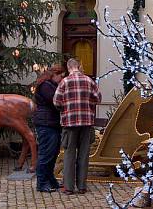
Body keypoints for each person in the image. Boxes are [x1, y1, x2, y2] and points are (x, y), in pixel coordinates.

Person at [53, 58, 101, 195]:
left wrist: (66, 107)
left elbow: (56, 102)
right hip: (86, 123)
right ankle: (82, 186)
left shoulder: (64, 82)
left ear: (69, 68)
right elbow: (98, 98)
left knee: (69, 154)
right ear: (78, 66)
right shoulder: (89, 81)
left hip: (70, 123)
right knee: (84, 155)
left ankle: (68, 187)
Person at [31, 64, 65, 192]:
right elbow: (55, 101)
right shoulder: (46, 86)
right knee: (46, 153)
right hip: (46, 123)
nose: (62, 80)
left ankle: (51, 180)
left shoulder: (51, 85)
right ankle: (42, 183)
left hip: (51, 123)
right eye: (61, 77)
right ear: (54, 74)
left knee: (53, 153)